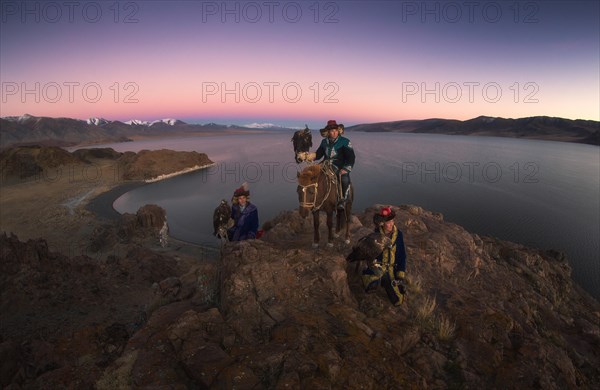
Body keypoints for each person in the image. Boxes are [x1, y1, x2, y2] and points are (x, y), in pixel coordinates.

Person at [362, 206, 408, 305]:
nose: (391, 224)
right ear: (382, 223)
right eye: (388, 222)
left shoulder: (398, 235)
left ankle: (387, 281)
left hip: (392, 270)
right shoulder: (376, 234)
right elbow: (370, 256)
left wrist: (400, 275)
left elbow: (402, 255)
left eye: (392, 221)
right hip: (378, 267)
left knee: (397, 301)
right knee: (372, 285)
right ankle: (375, 280)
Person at [305, 119, 355, 209]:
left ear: (338, 131)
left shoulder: (345, 141)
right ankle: (312, 198)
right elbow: (319, 154)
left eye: (336, 131)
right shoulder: (324, 142)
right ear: (328, 132)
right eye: (332, 131)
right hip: (325, 164)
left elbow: (351, 157)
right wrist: (309, 156)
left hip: (340, 166)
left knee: (344, 179)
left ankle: (344, 200)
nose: (334, 133)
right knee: (311, 174)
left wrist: (346, 169)